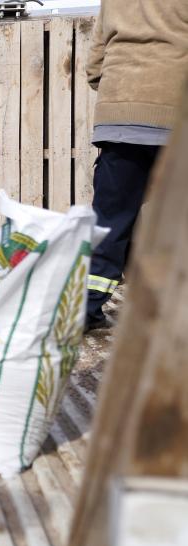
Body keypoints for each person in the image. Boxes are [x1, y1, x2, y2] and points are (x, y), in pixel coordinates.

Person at [84, 0, 188, 330]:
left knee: (110, 222)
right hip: (174, 117)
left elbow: (95, 65)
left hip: (118, 120)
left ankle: (85, 310)